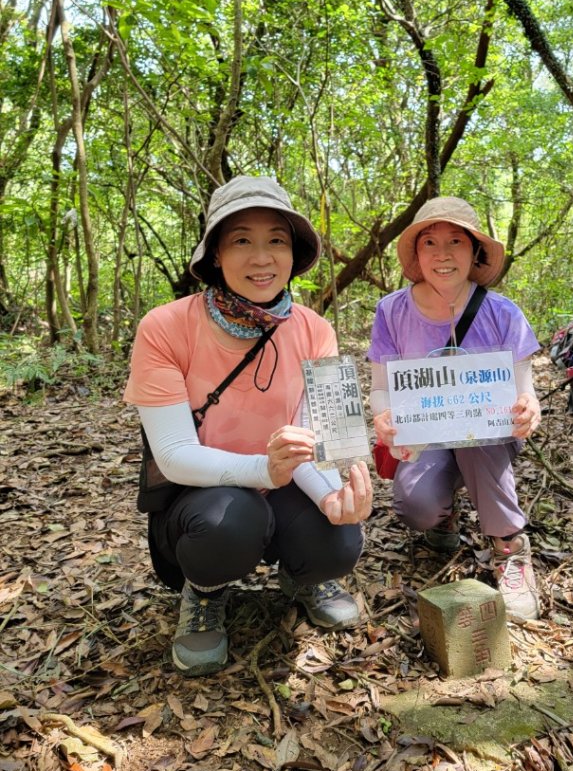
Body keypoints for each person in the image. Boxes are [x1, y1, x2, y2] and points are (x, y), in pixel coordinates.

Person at [124, 176, 372, 676]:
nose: (261, 257)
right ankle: (205, 592)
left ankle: (305, 577)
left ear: (292, 252)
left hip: (281, 483)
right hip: (202, 498)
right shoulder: (164, 327)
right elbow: (172, 453)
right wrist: (265, 468)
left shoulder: (314, 330)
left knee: (342, 540)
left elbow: (322, 443)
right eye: (241, 240)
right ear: (215, 252)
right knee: (229, 522)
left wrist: (334, 494)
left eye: (276, 240)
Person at [368, 196, 542, 619]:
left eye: (456, 242)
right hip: (425, 435)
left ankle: (509, 547)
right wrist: (384, 416)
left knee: (476, 441)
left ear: (475, 251)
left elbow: (525, 389)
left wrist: (528, 409)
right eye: (429, 243)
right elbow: (380, 389)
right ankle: (443, 516)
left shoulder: (502, 313)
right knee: (416, 506)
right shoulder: (392, 311)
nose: (442, 255)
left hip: (489, 438)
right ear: (417, 253)